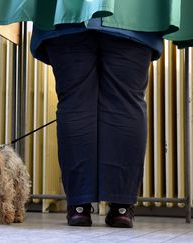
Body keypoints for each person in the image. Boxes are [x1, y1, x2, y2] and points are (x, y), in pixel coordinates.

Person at [31, 18, 163, 228]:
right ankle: (121, 208)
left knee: (75, 101)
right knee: (126, 102)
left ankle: (79, 208)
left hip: (68, 17)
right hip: (132, 15)